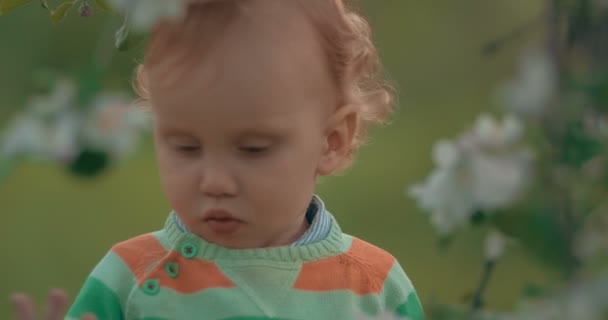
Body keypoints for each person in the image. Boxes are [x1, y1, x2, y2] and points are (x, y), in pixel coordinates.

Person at [11, 0, 424, 319]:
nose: (214, 181)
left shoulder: (375, 287)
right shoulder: (129, 279)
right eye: (185, 147)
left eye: (253, 149)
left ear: (331, 142)